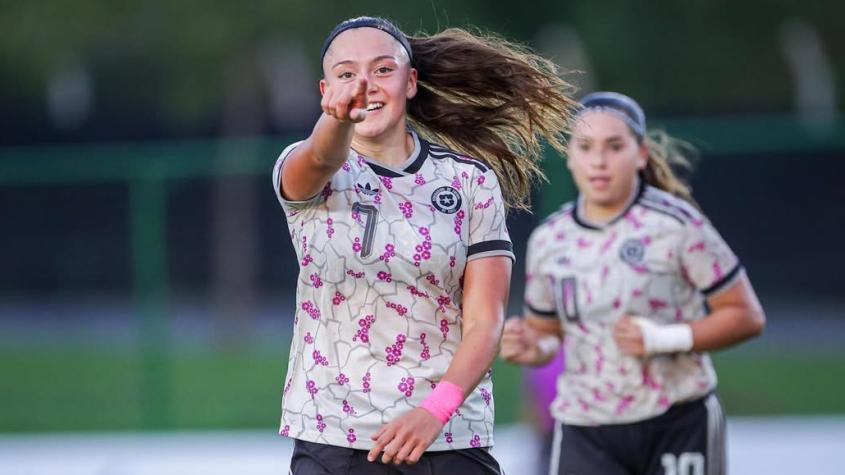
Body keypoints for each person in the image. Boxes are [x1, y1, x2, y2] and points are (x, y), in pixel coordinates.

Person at [272, 16, 575, 474]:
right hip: (335, 437)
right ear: (325, 90)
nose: (365, 86)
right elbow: (320, 155)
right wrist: (336, 122)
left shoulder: (470, 181)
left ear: (410, 82)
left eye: (382, 70)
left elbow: (485, 322)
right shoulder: (311, 169)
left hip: (449, 435)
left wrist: (437, 410)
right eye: (347, 74)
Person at [500, 91, 766, 475]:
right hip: (585, 428)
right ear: (569, 156)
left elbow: (746, 316)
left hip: (676, 421)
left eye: (614, 146)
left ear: (640, 154)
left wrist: (663, 339)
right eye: (586, 147)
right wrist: (531, 345)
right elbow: (548, 334)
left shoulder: (677, 224)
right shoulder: (550, 240)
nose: (599, 160)